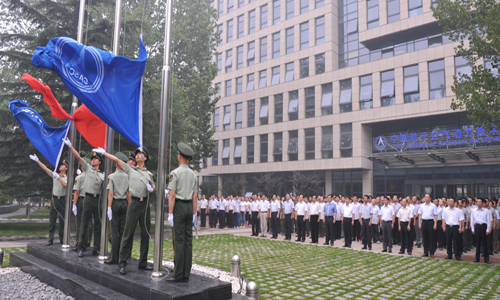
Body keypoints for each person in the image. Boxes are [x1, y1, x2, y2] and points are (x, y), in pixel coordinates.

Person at [96, 146, 156, 275]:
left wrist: (151, 188)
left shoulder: (149, 174)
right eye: (137, 153)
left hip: (144, 204)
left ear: (145, 158)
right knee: (128, 233)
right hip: (134, 203)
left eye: (140, 154)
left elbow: (154, 187)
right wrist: (104, 153)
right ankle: (122, 262)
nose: (138, 155)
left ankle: (143, 262)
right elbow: (117, 160)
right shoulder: (130, 169)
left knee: (145, 234)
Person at [64, 138, 104, 257]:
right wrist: (71, 146)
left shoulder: (103, 175)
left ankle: (96, 247)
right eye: (92, 159)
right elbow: (79, 158)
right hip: (88, 198)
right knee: (84, 224)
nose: (93, 160)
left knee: (98, 224)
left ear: (100, 162)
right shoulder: (87, 169)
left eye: (96, 159)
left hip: (97, 200)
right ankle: (81, 246)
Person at [30, 154, 68, 245]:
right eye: (61, 165)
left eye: (63, 165)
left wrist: (58, 177)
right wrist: (37, 160)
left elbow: (65, 185)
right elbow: (45, 169)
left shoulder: (66, 178)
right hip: (54, 200)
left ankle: (62, 239)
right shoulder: (55, 175)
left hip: (62, 200)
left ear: (66, 168)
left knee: (62, 221)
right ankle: (50, 239)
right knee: (52, 220)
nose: (61, 166)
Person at [104, 152, 129, 265]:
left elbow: (110, 193)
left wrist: (109, 207)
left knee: (114, 232)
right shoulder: (127, 176)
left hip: (115, 203)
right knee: (122, 231)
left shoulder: (111, 176)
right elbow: (129, 193)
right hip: (124, 203)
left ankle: (114, 257)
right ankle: (122, 256)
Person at [72, 159, 93, 251]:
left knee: (79, 223)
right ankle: (86, 243)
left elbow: (76, 192)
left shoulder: (79, 177)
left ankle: (79, 244)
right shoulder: (92, 176)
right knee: (88, 224)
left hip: (81, 200)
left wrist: (74, 204)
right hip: (90, 200)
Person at [471, 198, 491, 264]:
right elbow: (472, 220)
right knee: (478, 243)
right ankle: (477, 258)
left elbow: (488, 221)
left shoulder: (486, 211)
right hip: (477, 226)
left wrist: (488, 229)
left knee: (485, 243)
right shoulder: (474, 211)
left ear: (482, 203)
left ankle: (486, 258)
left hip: (483, 226)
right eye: (477, 202)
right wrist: (473, 229)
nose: (478, 203)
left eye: (480, 202)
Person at [418, 194, 438, 258]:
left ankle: (432, 252)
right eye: (425, 197)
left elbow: (436, 215)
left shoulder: (433, 206)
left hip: (430, 222)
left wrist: (435, 224)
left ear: (430, 198)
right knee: (424, 237)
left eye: (427, 197)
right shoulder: (422, 206)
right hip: (424, 222)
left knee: (431, 237)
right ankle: (425, 252)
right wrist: (419, 223)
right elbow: (420, 215)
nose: (426, 198)